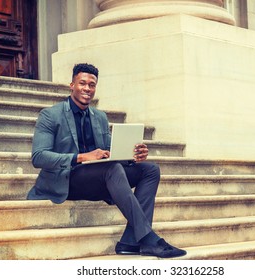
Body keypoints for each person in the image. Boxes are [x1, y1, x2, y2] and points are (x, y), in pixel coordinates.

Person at [27, 63, 186, 258]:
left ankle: (129, 242)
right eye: (82, 83)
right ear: (72, 85)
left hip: (97, 177)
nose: (87, 88)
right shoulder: (50, 115)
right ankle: (148, 239)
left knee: (150, 169)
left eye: (92, 85)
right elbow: (39, 157)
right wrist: (82, 157)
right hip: (67, 180)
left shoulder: (99, 117)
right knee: (112, 169)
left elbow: (111, 152)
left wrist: (132, 156)